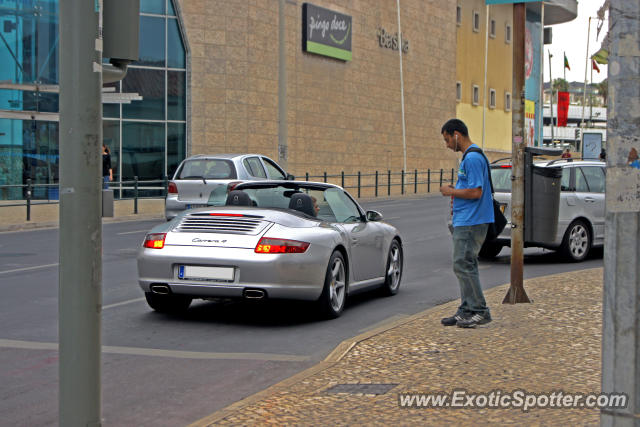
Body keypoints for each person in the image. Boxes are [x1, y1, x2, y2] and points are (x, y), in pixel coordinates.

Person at [439, 119, 493, 328]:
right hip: (468, 219)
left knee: (463, 263)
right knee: (464, 263)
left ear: (456, 135)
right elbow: (471, 187)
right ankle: (467, 309)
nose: (447, 145)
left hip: (472, 220)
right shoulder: (470, 157)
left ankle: (479, 310)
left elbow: (476, 192)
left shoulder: (472, 158)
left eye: (447, 140)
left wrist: (451, 191)